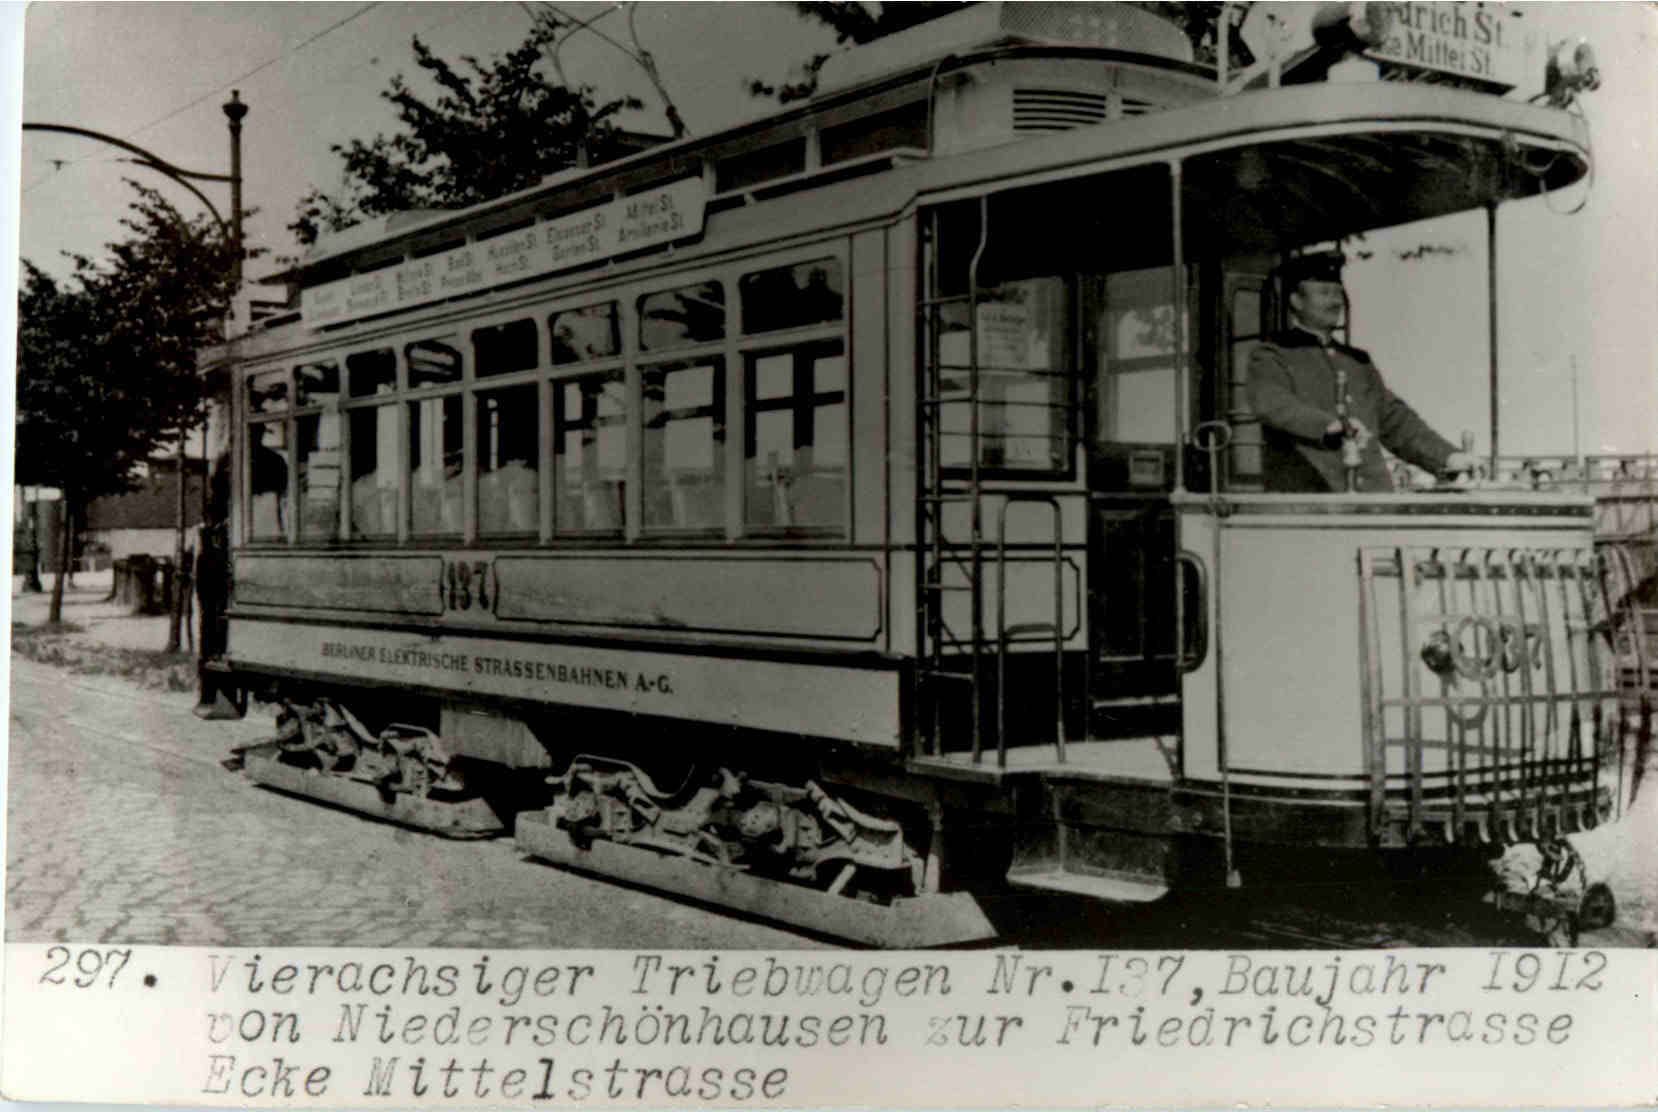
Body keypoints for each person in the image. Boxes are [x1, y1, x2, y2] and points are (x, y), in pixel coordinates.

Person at [1247, 251, 1475, 493]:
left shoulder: (1357, 362)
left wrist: (1448, 457)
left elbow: (1395, 421)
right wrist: (1328, 426)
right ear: (1296, 301)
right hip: (1311, 499)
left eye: (1337, 293)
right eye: (1324, 293)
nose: (1335, 302)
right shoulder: (1272, 355)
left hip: (1372, 500)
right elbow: (1273, 404)